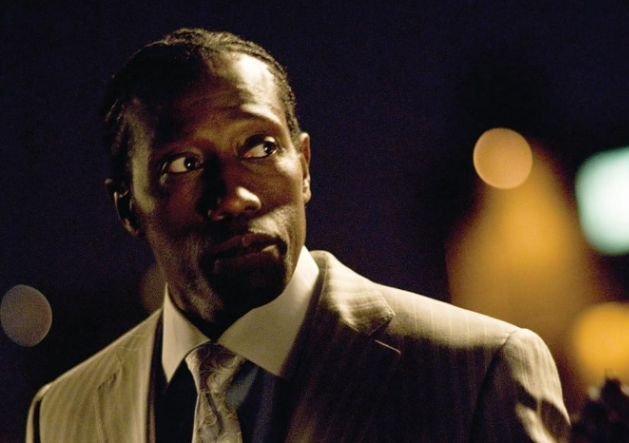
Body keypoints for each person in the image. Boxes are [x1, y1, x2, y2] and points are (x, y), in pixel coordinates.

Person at [25, 27, 569, 442]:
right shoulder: (59, 415)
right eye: (184, 164)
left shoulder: (476, 371)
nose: (234, 196)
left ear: (304, 166)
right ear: (127, 205)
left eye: (260, 147)